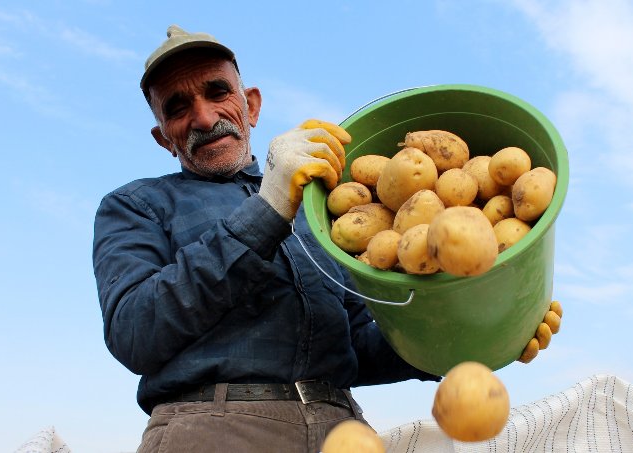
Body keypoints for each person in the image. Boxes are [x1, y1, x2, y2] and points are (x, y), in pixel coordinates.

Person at [92, 25, 438, 453]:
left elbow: (354, 343)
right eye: (178, 107)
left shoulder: (321, 210)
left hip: (343, 430)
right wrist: (268, 208)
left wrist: (455, 338)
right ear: (164, 137)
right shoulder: (136, 204)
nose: (202, 117)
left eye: (217, 92)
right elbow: (134, 332)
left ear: (250, 105)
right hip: (211, 431)